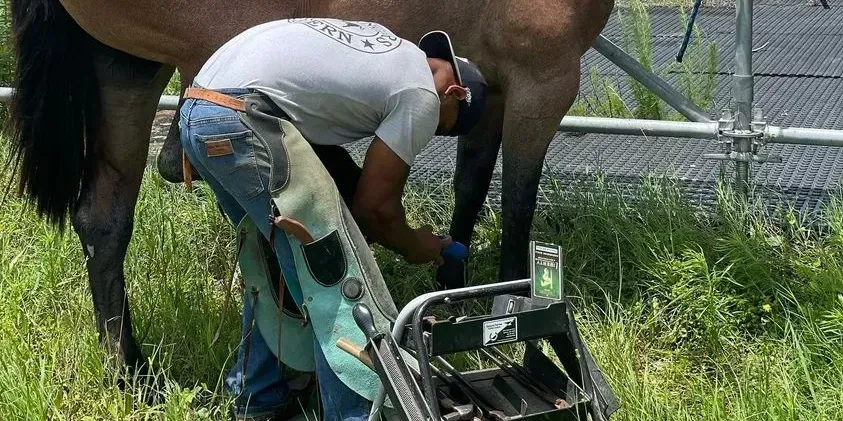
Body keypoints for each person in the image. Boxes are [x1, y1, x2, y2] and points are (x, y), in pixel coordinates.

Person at [178, 18, 487, 421]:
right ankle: (353, 414)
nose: (429, 131)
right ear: (455, 94)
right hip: (242, 118)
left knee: (271, 262)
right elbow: (374, 209)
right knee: (333, 274)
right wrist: (417, 245)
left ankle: (259, 399)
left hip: (199, 109)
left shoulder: (388, 49)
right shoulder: (423, 95)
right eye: (441, 129)